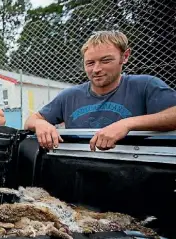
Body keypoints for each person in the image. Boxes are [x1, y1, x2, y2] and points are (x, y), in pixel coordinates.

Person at [24, 30, 176, 151]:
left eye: (106, 60)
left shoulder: (145, 85)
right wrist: (41, 124)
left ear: (125, 56)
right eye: (90, 63)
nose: (96, 69)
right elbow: (31, 120)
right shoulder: (70, 96)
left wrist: (127, 124)